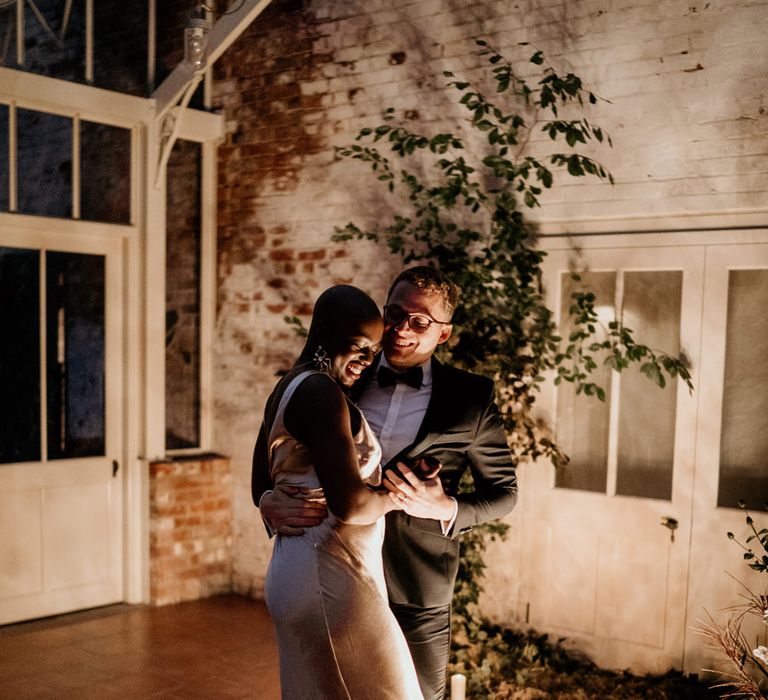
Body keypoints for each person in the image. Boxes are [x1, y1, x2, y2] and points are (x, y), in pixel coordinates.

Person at [254, 267, 518, 700]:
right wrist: (266, 500)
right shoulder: (342, 372)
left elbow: (504, 493)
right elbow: (273, 445)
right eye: (394, 314)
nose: (400, 329)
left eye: (419, 322)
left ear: (444, 334)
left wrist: (444, 507)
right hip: (339, 574)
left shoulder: (472, 398)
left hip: (417, 585)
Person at [252, 284, 423, 700]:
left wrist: (267, 500)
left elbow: (259, 481)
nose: (368, 359)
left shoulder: (288, 386)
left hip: (302, 571)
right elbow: (351, 505)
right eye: (359, 346)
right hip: (329, 580)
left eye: (375, 349)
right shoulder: (322, 394)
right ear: (324, 335)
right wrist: (399, 494)